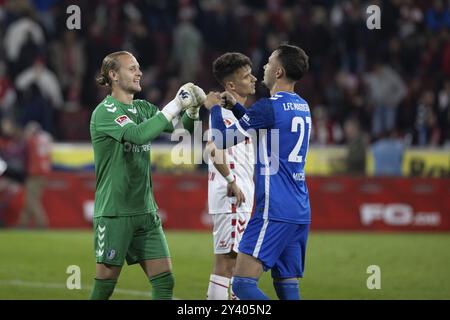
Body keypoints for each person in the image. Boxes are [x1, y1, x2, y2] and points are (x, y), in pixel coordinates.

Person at [89, 51, 204, 300]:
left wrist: (193, 110)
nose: (139, 72)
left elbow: (182, 130)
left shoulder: (143, 107)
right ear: (113, 75)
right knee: (105, 284)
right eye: (132, 68)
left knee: (164, 282)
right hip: (115, 213)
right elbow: (138, 135)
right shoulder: (105, 111)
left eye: (139, 67)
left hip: (146, 212)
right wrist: (176, 104)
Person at [202, 44, 312, 300]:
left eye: (269, 62)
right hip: (300, 210)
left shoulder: (268, 106)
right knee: (286, 284)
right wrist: (237, 108)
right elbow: (265, 124)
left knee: (242, 284)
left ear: (279, 72)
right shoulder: (303, 106)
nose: (264, 67)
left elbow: (220, 140)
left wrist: (215, 107)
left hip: (273, 210)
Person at [206, 53, 256, 300]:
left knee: (234, 267)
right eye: (247, 76)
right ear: (231, 85)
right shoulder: (224, 116)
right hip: (233, 198)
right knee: (227, 266)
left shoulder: (232, 115)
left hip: (235, 199)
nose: (254, 79)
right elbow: (214, 150)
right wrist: (231, 182)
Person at [16, 121, 52, 228]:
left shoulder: (31, 141)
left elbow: (19, 152)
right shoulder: (44, 139)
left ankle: (42, 223)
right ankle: (22, 224)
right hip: (44, 173)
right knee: (30, 200)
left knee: (31, 201)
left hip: (34, 174)